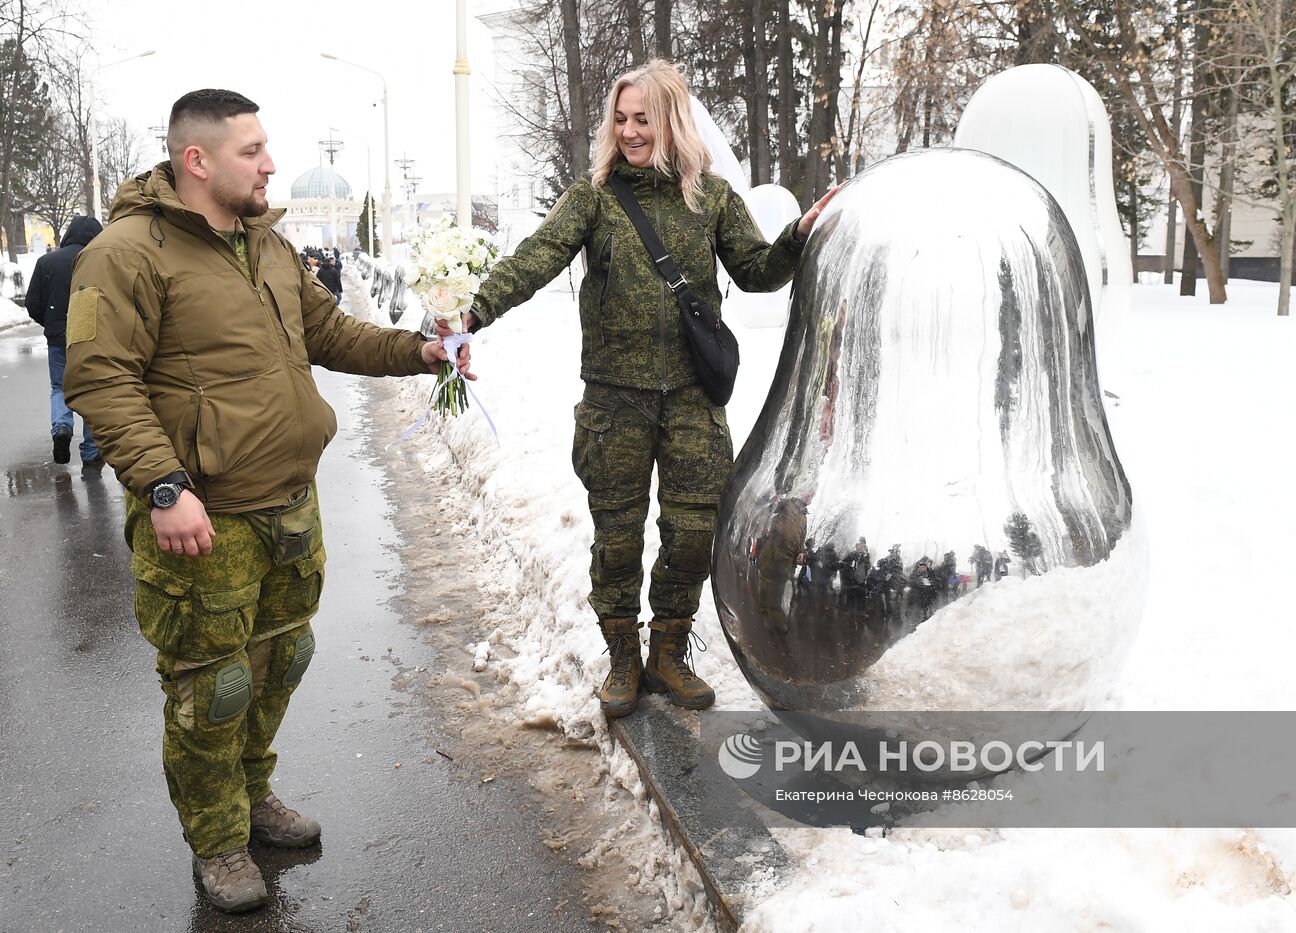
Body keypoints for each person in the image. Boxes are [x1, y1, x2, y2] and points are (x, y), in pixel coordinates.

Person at [63, 89, 471, 914]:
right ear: (197, 161)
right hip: (203, 516)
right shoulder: (127, 252)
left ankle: (252, 795)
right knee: (211, 686)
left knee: (281, 660)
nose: (271, 163)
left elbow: (332, 334)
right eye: (252, 150)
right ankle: (216, 839)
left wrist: (422, 352)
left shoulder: (267, 244)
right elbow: (98, 378)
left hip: (288, 502)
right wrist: (164, 486)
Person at [441, 59, 837, 718]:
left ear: (671, 121)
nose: (629, 131)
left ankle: (667, 652)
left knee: (691, 535)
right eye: (620, 119)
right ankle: (622, 656)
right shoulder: (593, 198)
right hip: (613, 403)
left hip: (691, 401)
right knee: (616, 538)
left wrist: (797, 236)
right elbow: (534, 261)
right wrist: (473, 313)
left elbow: (758, 271)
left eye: (642, 119)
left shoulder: (709, 199)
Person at [24, 215, 104, 466]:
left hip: (58, 338)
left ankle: (61, 428)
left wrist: (52, 324)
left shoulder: (46, 262)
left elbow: (32, 303)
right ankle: (91, 451)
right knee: (92, 390)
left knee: (59, 387)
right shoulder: (98, 260)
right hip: (91, 337)